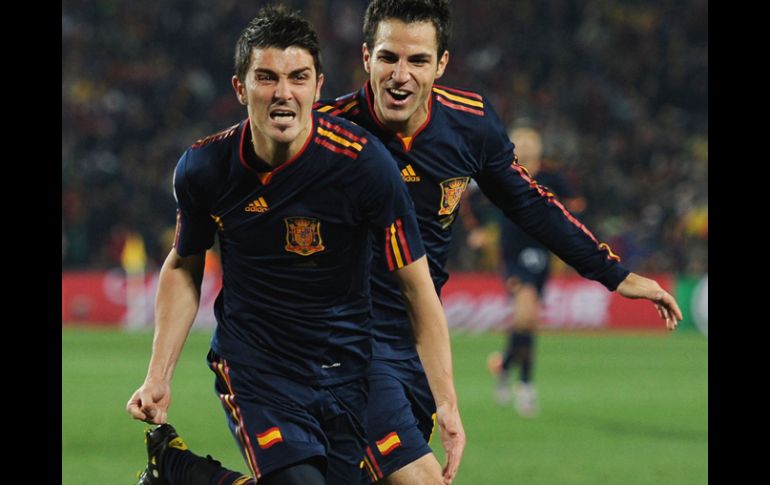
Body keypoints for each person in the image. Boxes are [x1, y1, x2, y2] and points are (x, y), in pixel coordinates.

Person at [166, 1, 682, 483]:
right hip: (352, 344)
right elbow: (249, 188)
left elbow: (531, 204)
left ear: (441, 64)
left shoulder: (471, 125)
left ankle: (182, 473)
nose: (400, 75)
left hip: (415, 340)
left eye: (418, 60)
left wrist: (616, 273)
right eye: (388, 57)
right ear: (366, 57)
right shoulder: (327, 133)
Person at [125, 6, 464, 485]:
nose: (283, 93)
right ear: (240, 88)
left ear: (318, 87)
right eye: (266, 77)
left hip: (352, 366)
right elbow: (184, 266)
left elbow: (417, 287)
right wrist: (159, 375)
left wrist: (446, 402)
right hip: (260, 367)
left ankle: (181, 474)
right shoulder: (205, 168)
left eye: (298, 77)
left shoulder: (364, 167)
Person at [480, 126, 586, 416]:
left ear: (538, 148)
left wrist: (558, 209)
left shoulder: (552, 177)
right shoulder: (503, 173)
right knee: (526, 314)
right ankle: (525, 386)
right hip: (513, 255)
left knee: (526, 322)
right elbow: (471, 198)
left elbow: (577, 204)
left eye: (530, 143)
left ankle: (503, 366)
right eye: (520, 143)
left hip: (541, 254)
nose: (525, 148)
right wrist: (478, 231)